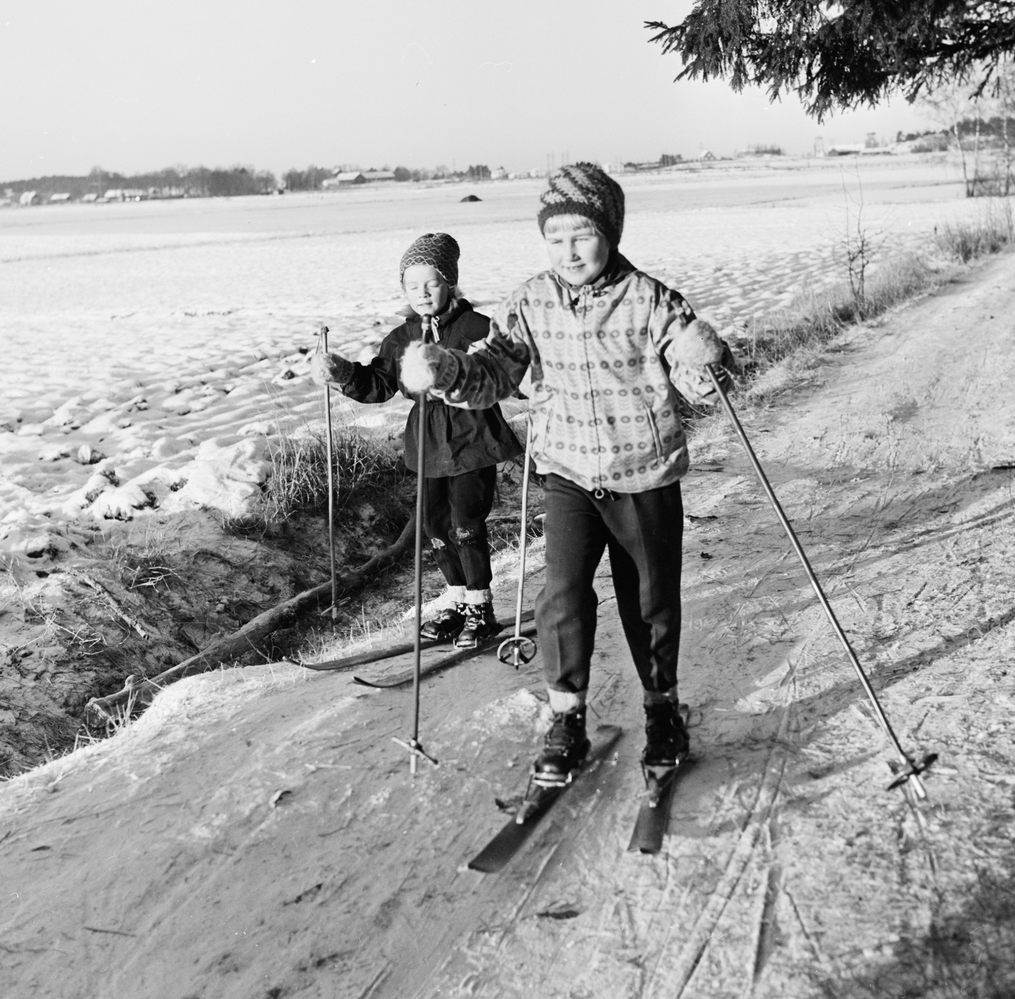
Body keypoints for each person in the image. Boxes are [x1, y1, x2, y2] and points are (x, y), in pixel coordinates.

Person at [398, 164, 735, 783]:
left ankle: (662, 711)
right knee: (561, 600)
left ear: (610, 230)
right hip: (569, 475)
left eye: (581, 235)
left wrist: (703, 360)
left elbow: (704, 388)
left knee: (651, 602)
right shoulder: (530, 301)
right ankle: (567, 719)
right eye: (556, 239)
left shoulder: (653, 300)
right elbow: (495, 371)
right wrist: (443, 372)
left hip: (645, 475)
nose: (569, 251)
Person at [310, 232, 522, 647]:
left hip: (472, 434)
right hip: (426, 439)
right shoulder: (402, 337)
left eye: (432, 283)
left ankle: (481, 609)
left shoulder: (478, 327)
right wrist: (343, 373)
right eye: (412, 285)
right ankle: (458, 600)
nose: (422, 293)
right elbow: (380, 383)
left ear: (451, 283)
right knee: (434, 524)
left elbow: (505, 374)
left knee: (466, 523)